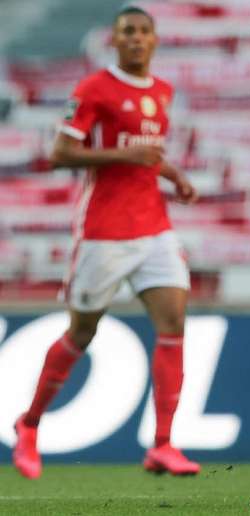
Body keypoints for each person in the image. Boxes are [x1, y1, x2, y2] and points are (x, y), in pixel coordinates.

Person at [12, 6, 200, 479]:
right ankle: (30, 423)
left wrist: (173, 174)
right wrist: (124, 153)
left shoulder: (162, 90)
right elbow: (59, 154)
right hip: (104, 231)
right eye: (127, 32)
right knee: (82, 332)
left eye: (143, 31)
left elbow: (148, 156)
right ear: (114, 41)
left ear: (155, 40)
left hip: (154, 226)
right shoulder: (93, 89)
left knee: (174, 322)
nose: (136, 39)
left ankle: (162, 444)